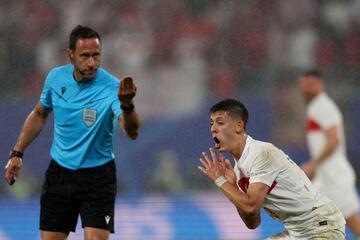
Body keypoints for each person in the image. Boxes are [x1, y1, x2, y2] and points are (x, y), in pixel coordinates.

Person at [4, 25, 141, 240]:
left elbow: (132, 132)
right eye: (85, 56)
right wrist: (17, 153)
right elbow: (40, 113)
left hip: (99, 178)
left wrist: (128, 106)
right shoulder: (55, 78)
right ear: (70, 55)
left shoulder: (112, 87)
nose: (91, 63)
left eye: (96, 56)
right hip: (61, 174)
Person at [198, 98, 346, 239]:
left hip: (321, 225)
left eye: (220, 123)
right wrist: (230, 185)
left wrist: (219, 179)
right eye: (211, 123)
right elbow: (252, 222)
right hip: (297, 231)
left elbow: (250, 206)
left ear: (239, 126)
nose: (213, 129)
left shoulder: (261, 153)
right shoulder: (238, 170)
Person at [298, 69, 360, 238]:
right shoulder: (315, 107)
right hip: (325, 178)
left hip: (335, 177)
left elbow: (334, 139)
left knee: (353, 222)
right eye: (304, 85)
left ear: (320, 85)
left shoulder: (323, 106)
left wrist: (313, 164)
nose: (306, 89)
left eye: (311, 85)